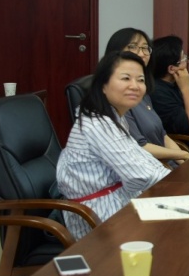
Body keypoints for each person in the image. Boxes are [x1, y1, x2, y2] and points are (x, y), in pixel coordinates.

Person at [56, 52, 170, 240]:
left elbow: (141, 159)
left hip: (120, 201)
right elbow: (138, 175)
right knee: (177, 233)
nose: (135, 86)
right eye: (126, 78)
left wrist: (176, 179)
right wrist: (182, 186)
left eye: (140, 80)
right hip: (98, 215)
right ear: (103, 85)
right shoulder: (97, 124)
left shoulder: (114, 117)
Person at [103, 28, 189, 164]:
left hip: (165, 165)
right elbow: (137, 147)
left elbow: (163, 135)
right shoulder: (117, 97)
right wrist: (183, 155)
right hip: (147, 167)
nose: (142, 53)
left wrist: (184, 162)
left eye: (145, 48)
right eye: (133, 47)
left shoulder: (143, 89)